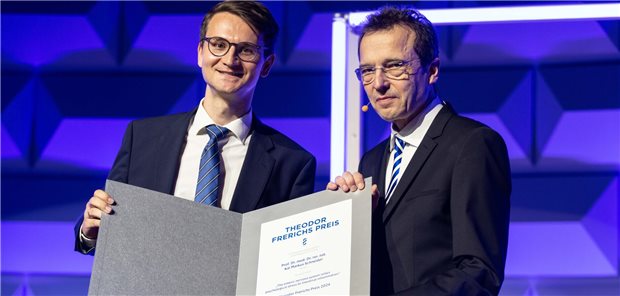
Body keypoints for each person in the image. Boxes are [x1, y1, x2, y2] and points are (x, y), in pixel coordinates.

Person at [75, 1, 316, 255]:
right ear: (201, 52)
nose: (230, 60)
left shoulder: (292, 164)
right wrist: (90, 233)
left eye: (246, 50)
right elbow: (111, 238)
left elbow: (288, 262)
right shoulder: (142, 138)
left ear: (266, 64)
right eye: (219, 45)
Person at [327, 6, 511, 295]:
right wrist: (344, 220)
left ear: (432, 70)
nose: (379, 83)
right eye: (367, 70)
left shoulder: (473, 144)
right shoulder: (372, 159)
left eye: (393, 66)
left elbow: (479, 272)